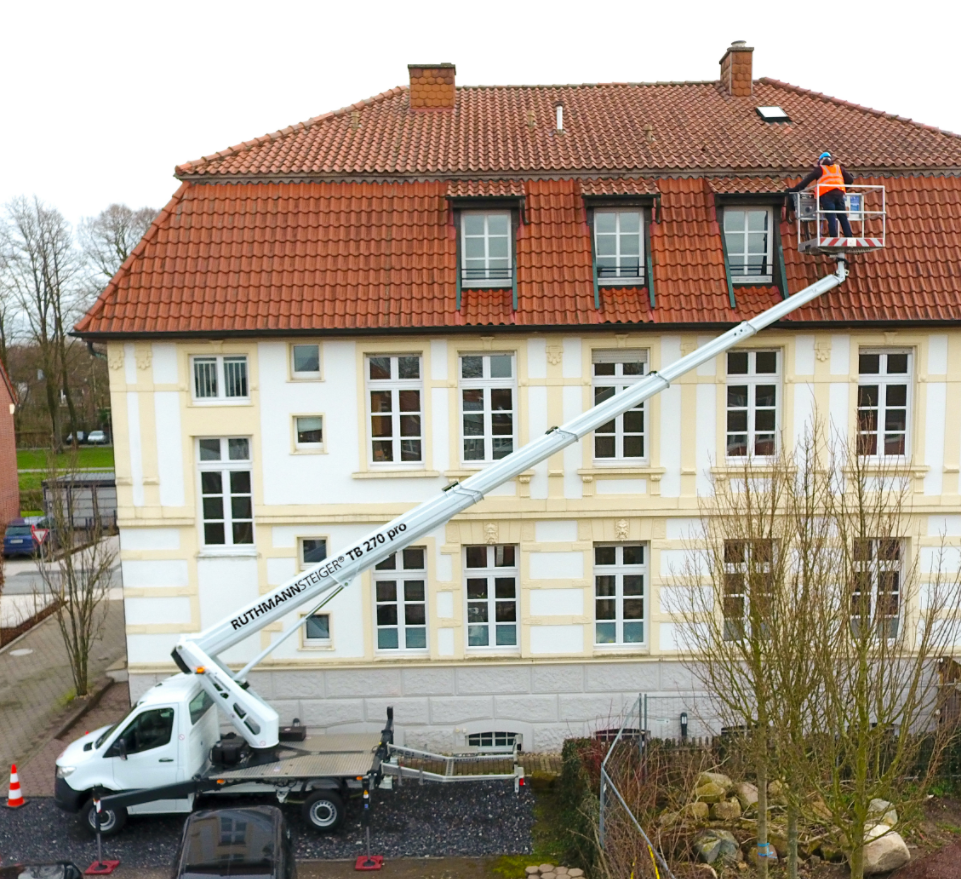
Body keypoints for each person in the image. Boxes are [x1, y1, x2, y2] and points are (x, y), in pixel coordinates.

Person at [788, 151, 855, 237]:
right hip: (839, 195)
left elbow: (805, 182)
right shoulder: (839, 168)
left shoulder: (820, 169)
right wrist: (843, 189)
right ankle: (849, 237)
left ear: (821, 161)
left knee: (831, 218)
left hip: (827, 196)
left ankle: (833, 238)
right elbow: (850, 180)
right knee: (843, 217)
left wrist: (794, 190)